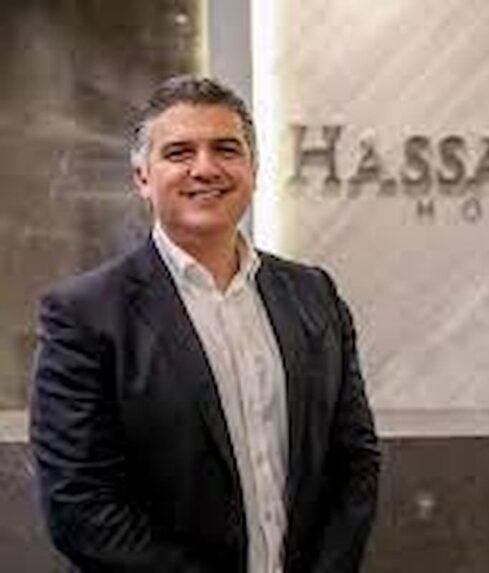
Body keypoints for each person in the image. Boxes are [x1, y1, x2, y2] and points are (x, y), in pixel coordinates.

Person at [30, 76, 380, 573]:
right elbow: (81, 506)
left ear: (253, 169)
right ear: (143, 178)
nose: (205, 168)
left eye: (226, 149)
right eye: (179, 152)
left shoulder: (313, 294)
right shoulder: (84, 315)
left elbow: (354, 461)